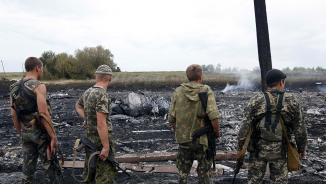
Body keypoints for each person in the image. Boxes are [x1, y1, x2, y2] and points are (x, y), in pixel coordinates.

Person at [237, 69, 308, 184]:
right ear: (281, 82)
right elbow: (300, 130)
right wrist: (302, 149)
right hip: (280, 150)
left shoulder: (256, 100)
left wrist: (240, 148)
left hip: (257, 150)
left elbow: (244, 128)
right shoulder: (292, 101)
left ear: (266, 84)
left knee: (254, 181)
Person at [168, 64, 220, 184]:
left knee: (182, 175)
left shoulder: (178, 91)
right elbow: (214, 116)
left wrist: (179, 133)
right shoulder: (206, 90)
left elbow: (172, 118)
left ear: (187, 76)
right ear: (200, 76)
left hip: (184, 141)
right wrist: (217, 133)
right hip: (202, 142)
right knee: (205, 176)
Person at [10, 57, 57, 184]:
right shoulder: (38, 86)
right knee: (49, 166)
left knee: (28, 168)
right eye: (42, 68)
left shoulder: (14, 87)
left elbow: (14, 115)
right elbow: (43, 113)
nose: (42, 71)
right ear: (38, 68)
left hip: (25, 132)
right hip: (40, 133)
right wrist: (53, 136)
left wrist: (21, 134)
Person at [75, 65, 117, 183]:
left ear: (95, 76)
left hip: (90, 139)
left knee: (90, 173)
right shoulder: (102, 95)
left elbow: (78, 106)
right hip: (100, 139)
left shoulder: (88, 91)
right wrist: (106, 146)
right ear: (110, 78)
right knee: (105, 175)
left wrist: (88, 119)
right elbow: (101, 124)